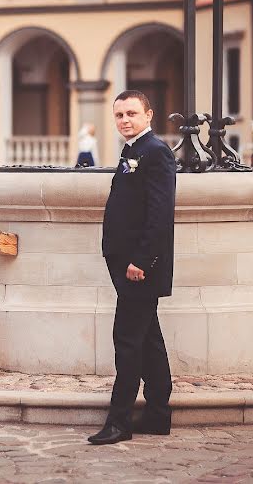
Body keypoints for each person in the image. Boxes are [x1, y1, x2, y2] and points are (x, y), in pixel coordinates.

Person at [89, 90, 176, 445]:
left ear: (149, 115)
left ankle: (119, 421)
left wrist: (142, 260)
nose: (124, 120)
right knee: (148, 339)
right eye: (119, 115)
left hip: (140, 267)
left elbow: (160, 214)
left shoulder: (156, 152)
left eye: (131, 113)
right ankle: (157, 414)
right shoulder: (133, 150)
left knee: (126, 340)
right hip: (126, 264)